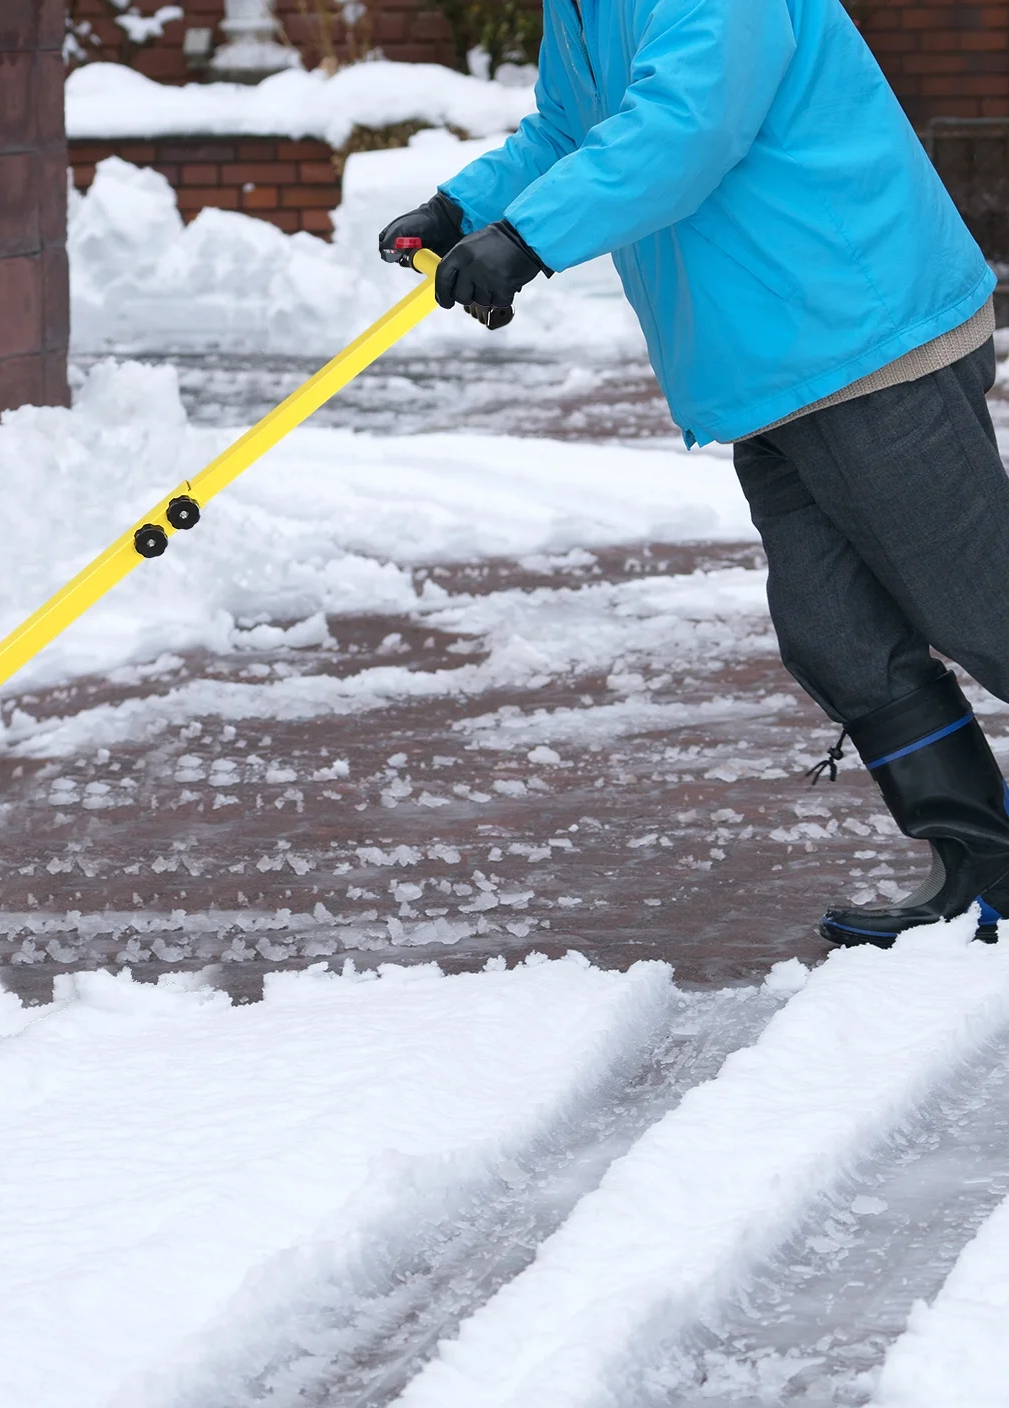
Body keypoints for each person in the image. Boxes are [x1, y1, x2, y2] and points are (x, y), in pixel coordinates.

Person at [380, 0, 1007, 950]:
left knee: (984, 610)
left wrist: (528, 239)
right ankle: (986, 866)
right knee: (836, 638)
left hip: (862, 330)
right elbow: (568, 130)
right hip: (770, 364)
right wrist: (465, 210)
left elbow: (688, 124)